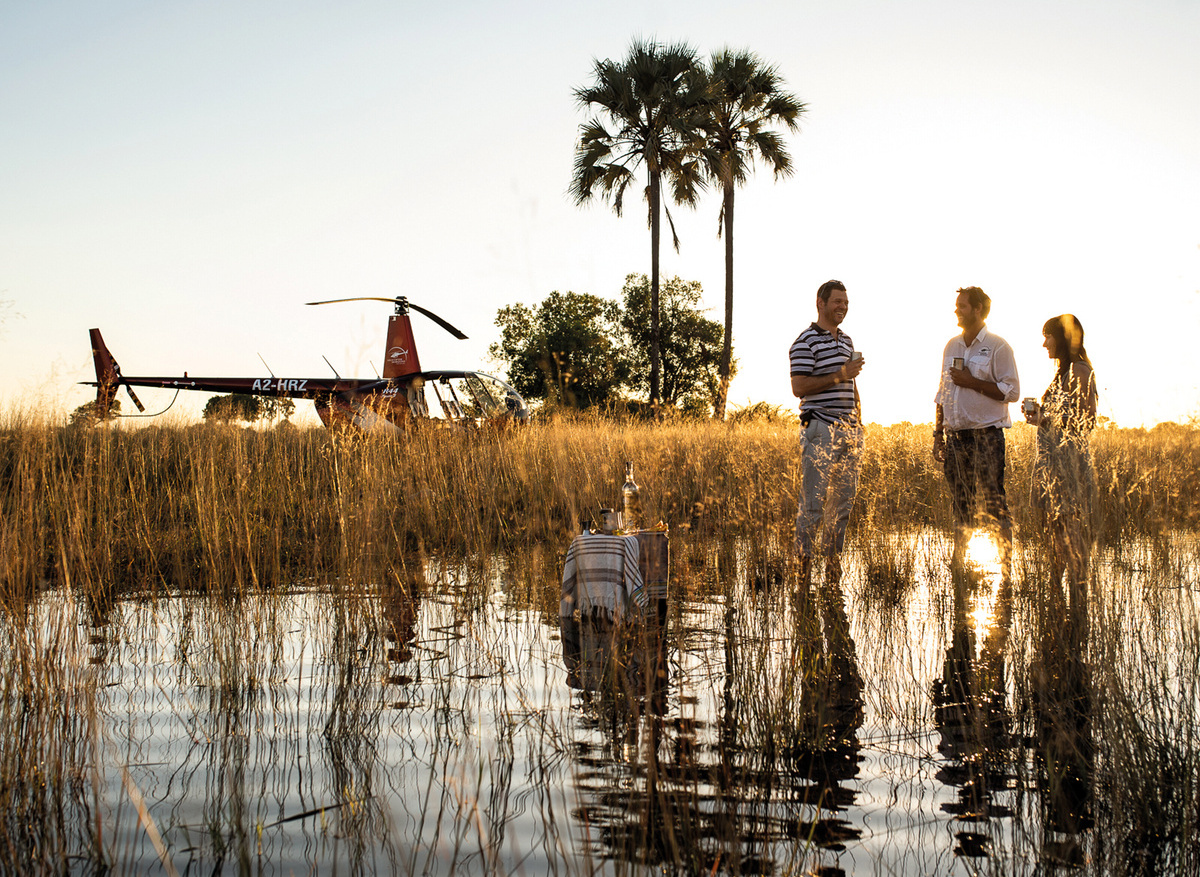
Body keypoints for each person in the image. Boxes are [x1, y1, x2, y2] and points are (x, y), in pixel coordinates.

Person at [933, 286, 1020, 572]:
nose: (956, 310)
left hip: (987, 436)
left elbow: (1012, 392)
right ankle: (959, 565)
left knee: (994, 503)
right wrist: (938, 434)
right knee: (961, 504)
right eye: (957, 305)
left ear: (978, 309)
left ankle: (1005, 569)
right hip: (955, 438)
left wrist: (971, 382)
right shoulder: (951, 346)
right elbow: (943, 392)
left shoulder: (998, 347)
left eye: (962, 306)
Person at [789, 279, 865, 584]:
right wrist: (840, 374)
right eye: (837, 302)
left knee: (842, 505)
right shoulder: (805, 342)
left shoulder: (846, 341)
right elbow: (799, 387)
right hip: (820, 427)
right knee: (813, 505)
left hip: (850, 431)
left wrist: (859, 421)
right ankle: (803, 574)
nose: (842, 307)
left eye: (845, 302)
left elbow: (851, 383)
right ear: (820, 303)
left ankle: (833, 572)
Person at [1023, 314, 1097, 623]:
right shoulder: (1062, 372)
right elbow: (1064, 416)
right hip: (1051, 463)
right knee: (1054, 530)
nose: (1044, 343)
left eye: (1048, 336)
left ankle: (1077, 604)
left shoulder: (1079, 370)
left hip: (1068, 464)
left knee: (1070, 531)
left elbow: (1087, 420)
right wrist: (1040, 416)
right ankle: (1057, 597)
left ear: (1063, 338)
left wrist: (1045, 418)